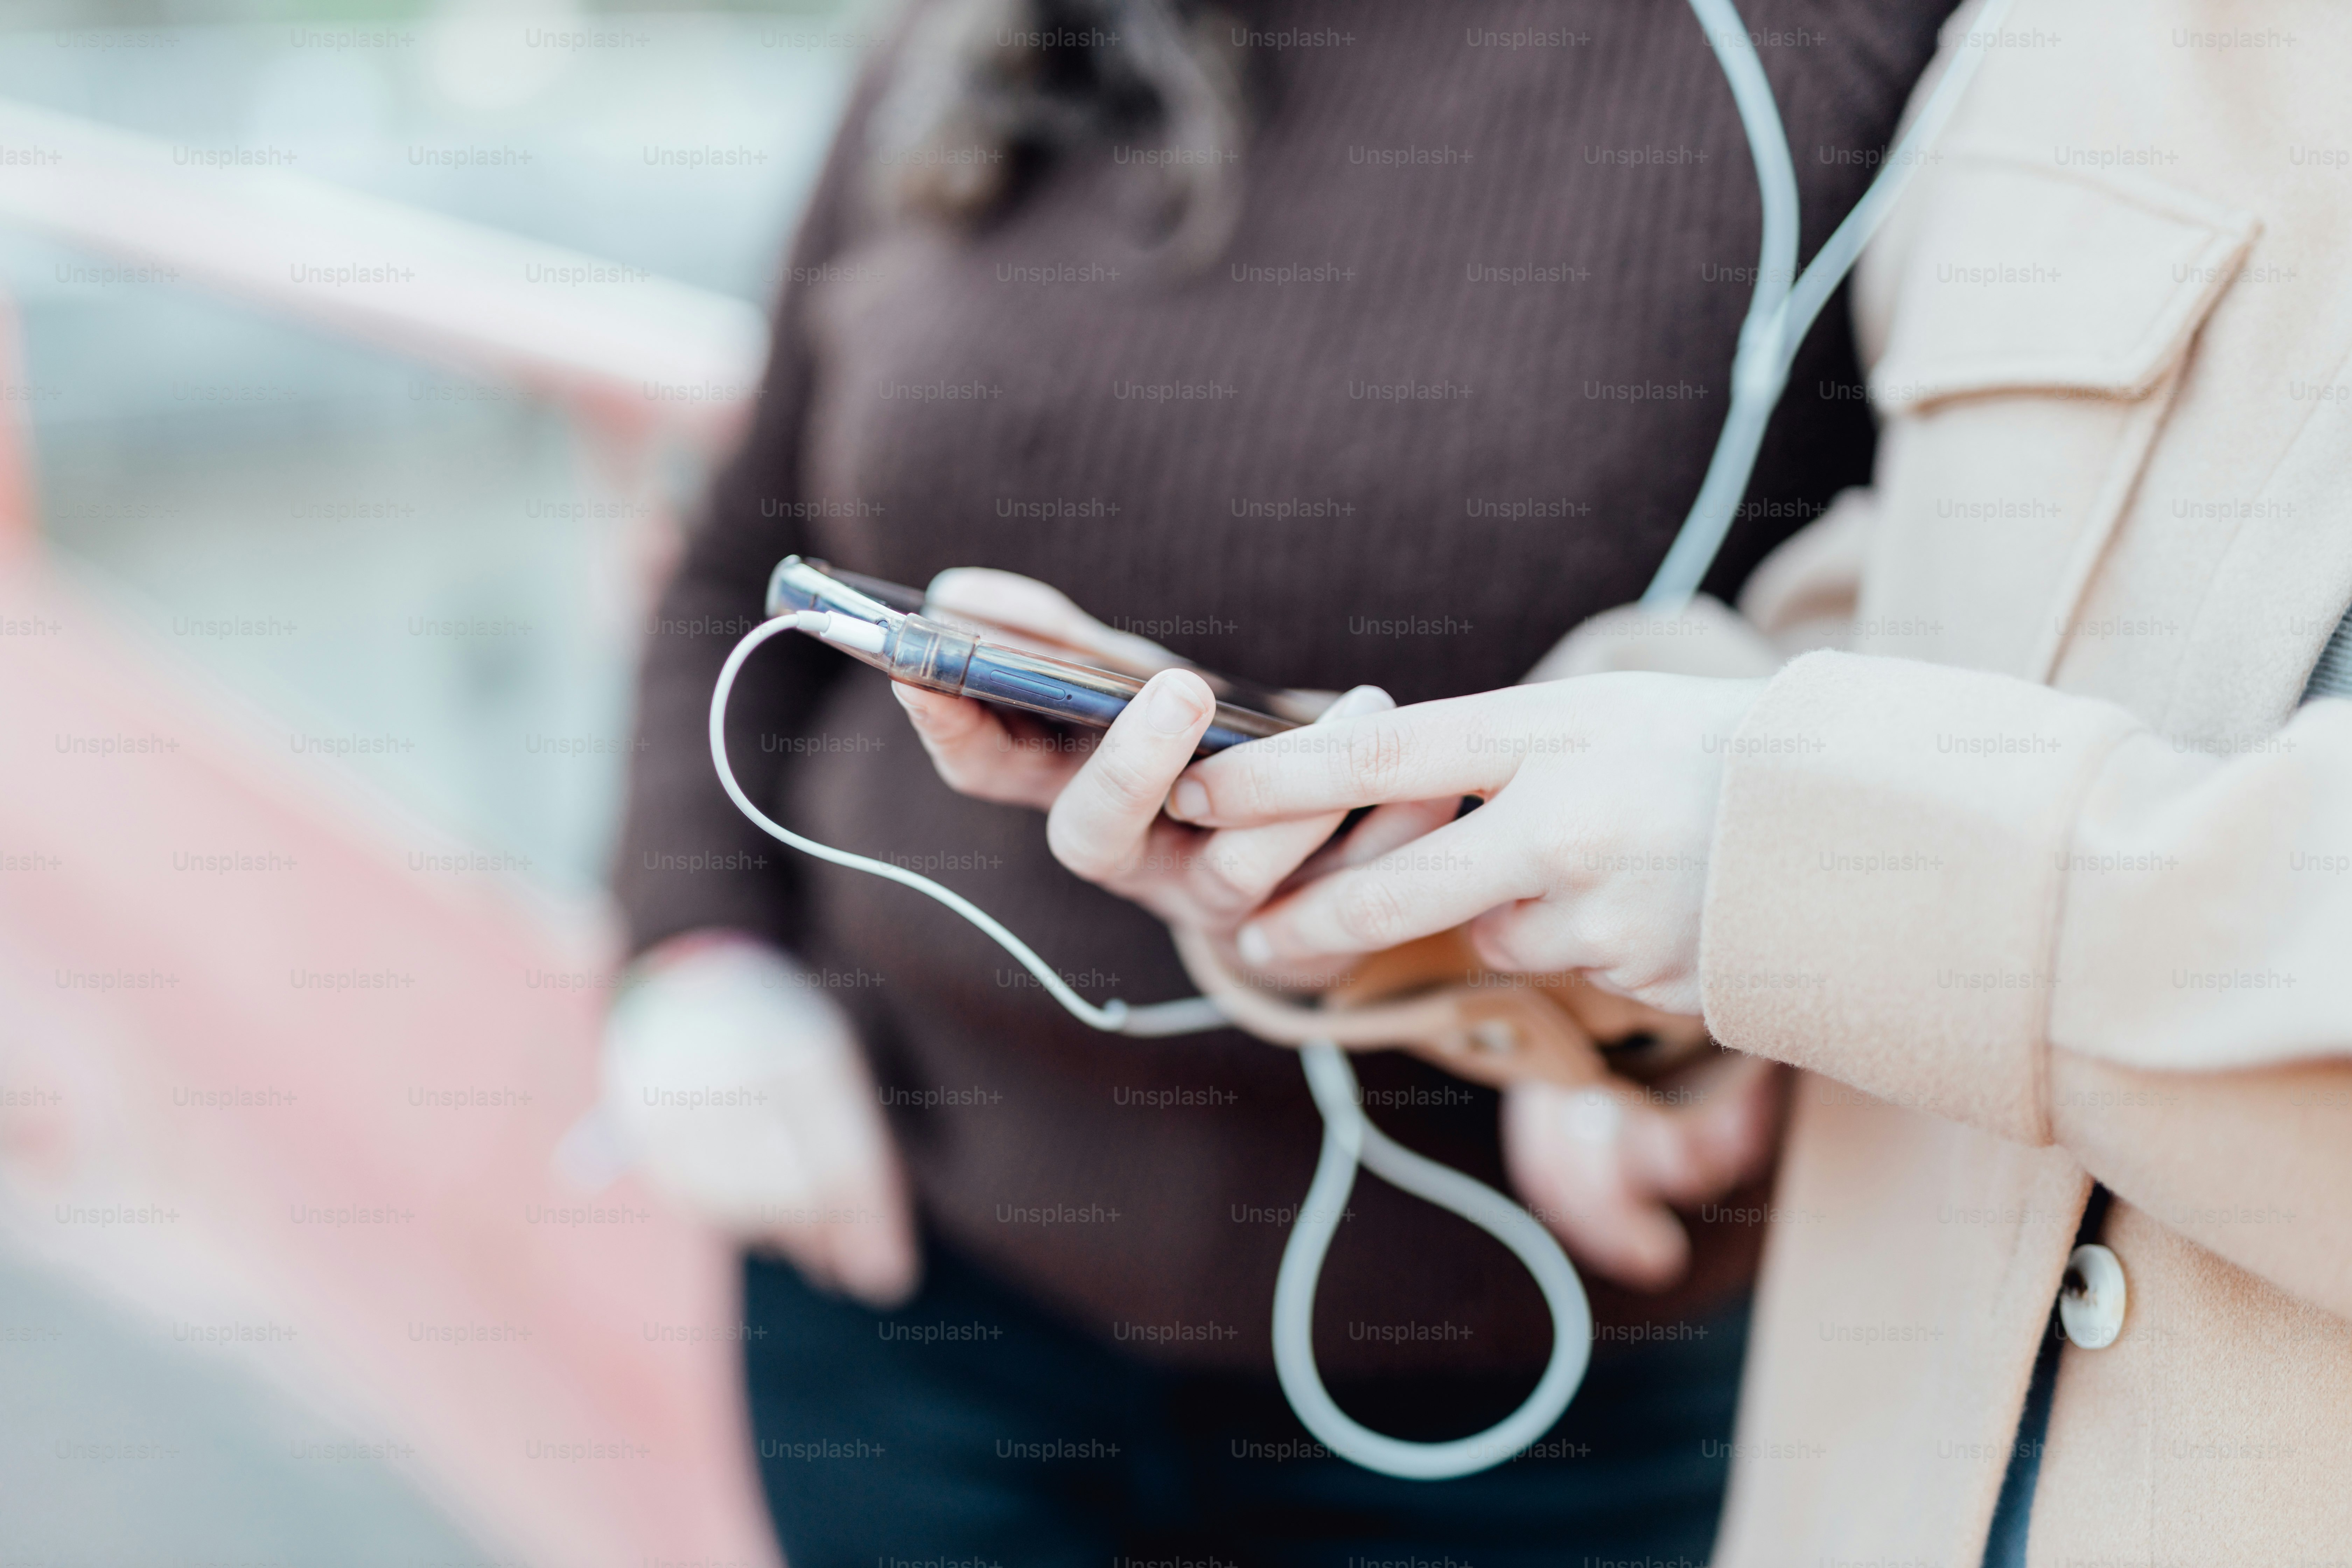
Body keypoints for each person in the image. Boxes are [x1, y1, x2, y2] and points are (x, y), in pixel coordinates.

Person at [980, 1, 2352, 1563]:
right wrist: (1402, 838)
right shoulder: (2054, 41)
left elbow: (1824, 828)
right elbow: (1919, 636)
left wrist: (1795, 855)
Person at [607, 1, 1961, 1562]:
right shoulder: (967, 27)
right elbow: (741, 571)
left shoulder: (1848, 51)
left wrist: (1696, 1029)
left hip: (1527, 1406)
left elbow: (1964, 664)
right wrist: (695, 962)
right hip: (905, 1293)